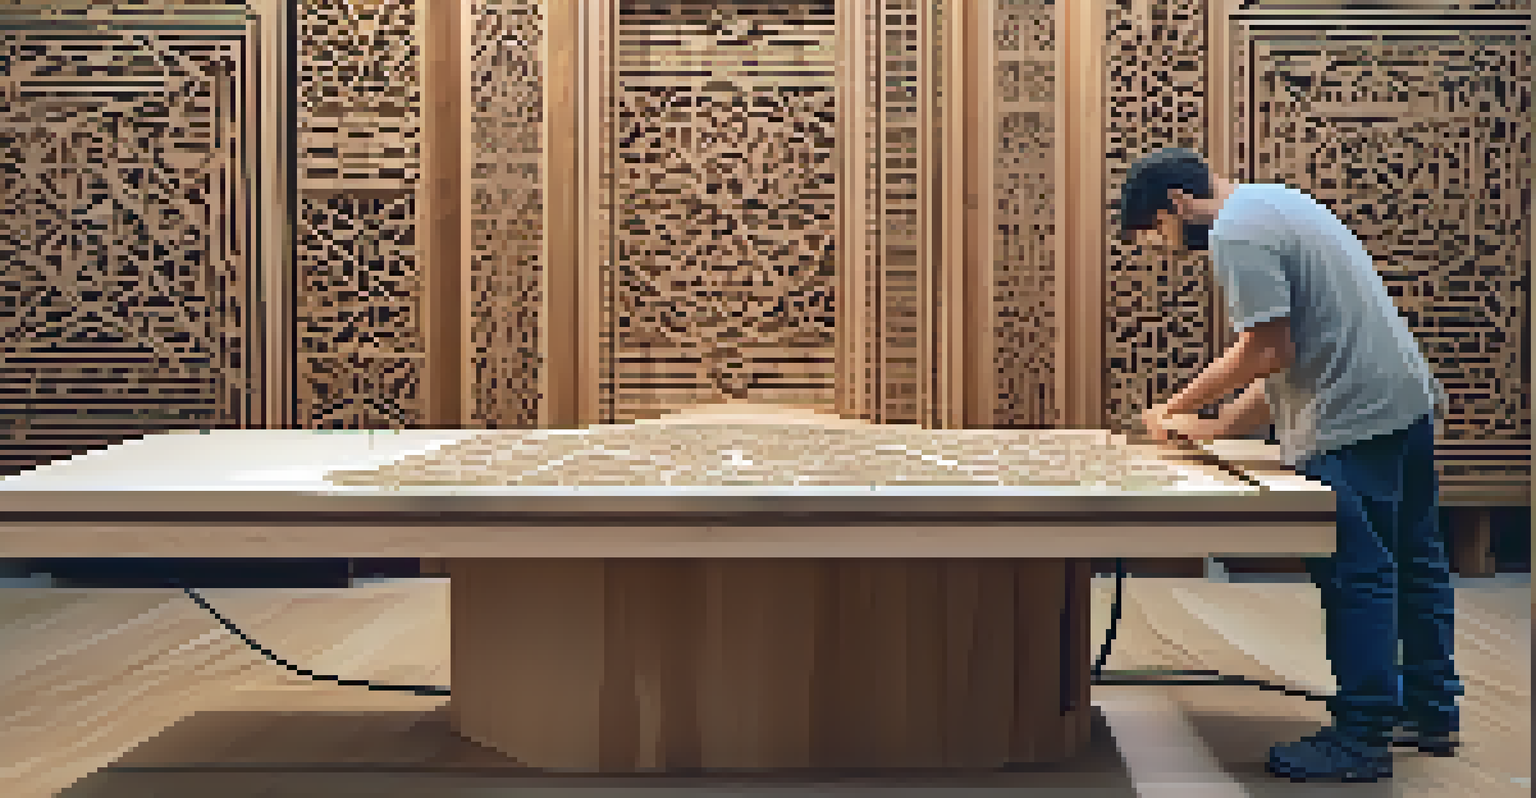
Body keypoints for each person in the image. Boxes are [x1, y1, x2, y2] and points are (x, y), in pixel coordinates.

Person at [1115, 148, 1462, 782]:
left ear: (1174, 203)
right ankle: (1432, 711)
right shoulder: (1276, 202)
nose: (1166, 249)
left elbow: (1265, 350)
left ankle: (1361, 738)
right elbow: (1288, 357)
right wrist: (1218, 428)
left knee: (1358, 575)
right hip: (1404, 403)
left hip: (1353, 420)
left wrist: (1170, 408)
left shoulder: (1235, 232)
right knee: (1416, 562)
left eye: (1157, 235)